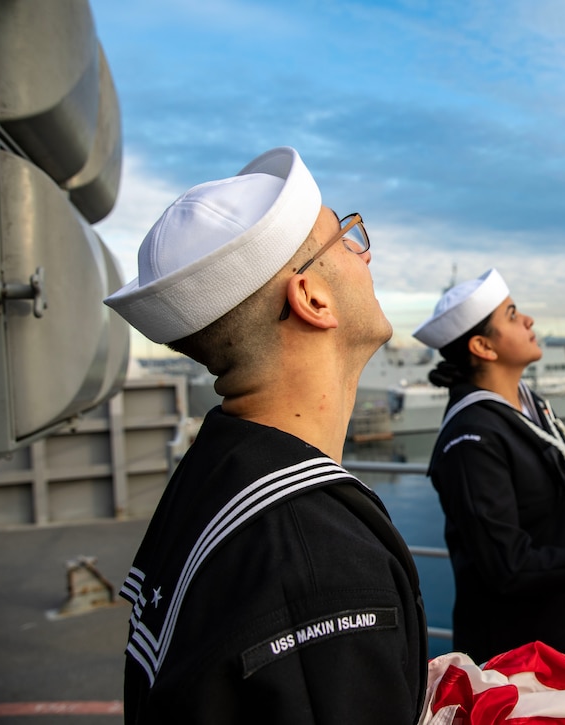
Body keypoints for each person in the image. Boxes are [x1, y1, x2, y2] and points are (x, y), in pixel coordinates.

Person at [103, 147, 426, 724]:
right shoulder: (318, 564)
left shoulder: (216, 475)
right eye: (347, 237)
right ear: (311, 298)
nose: (366, 252)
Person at [412, 268, 565, 664]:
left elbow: (546, 488)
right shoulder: (471, 439)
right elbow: (508, 565)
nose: (527, 320)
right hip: (521, 657)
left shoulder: (526, 405)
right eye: (512, 314)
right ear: (483, 346)